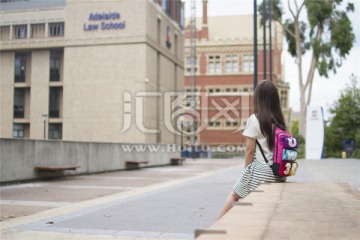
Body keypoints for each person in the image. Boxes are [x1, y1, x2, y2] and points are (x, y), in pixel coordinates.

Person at [217, 80, 287, 220]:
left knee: (234, 195)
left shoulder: (255, 119)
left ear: (258, 98)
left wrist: (246, 171)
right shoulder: (280, 120)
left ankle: (215, 231)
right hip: (279, 173)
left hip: (261, 171)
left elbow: (249, 150)